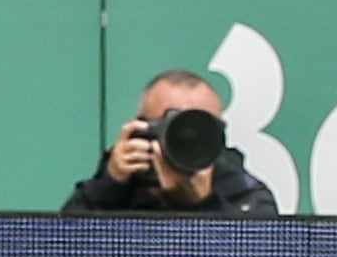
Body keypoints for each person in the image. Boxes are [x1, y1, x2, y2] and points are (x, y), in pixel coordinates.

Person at [63, 69, 278, 216]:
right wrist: (109, 185)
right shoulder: (117, 191)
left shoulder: (242, 193)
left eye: (200, 130)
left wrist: (204, 205)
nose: (185, 142)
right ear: (141, 129)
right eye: (171, 128)